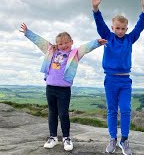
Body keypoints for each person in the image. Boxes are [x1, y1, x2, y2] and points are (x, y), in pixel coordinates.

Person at [19, 23, 107, 151]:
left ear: (71, 42)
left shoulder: (74, 54)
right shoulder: (51, 50)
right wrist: (28, 32)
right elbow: (39, 41)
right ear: (57, 45)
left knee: (63, 114)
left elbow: (85, 48)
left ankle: (66, 138)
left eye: (66, 43)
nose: (64, 45)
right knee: (52, 113)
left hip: (64, 90)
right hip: (50, 88)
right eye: (61, 44)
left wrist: (96, 42)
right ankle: (53, 137)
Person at [91, 0, 144, 155]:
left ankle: (124, 140)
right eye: (117, 28)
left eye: (123, 28)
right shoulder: (107, 36)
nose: (120, 31)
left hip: (125, 81)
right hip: (110, 80)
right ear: (112, 28)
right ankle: (113, 138)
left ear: (126, 28)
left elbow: (139, 27)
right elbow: (99, 24)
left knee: (125, 110)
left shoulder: (129, 38)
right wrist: (95, 8)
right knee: (111, 110)